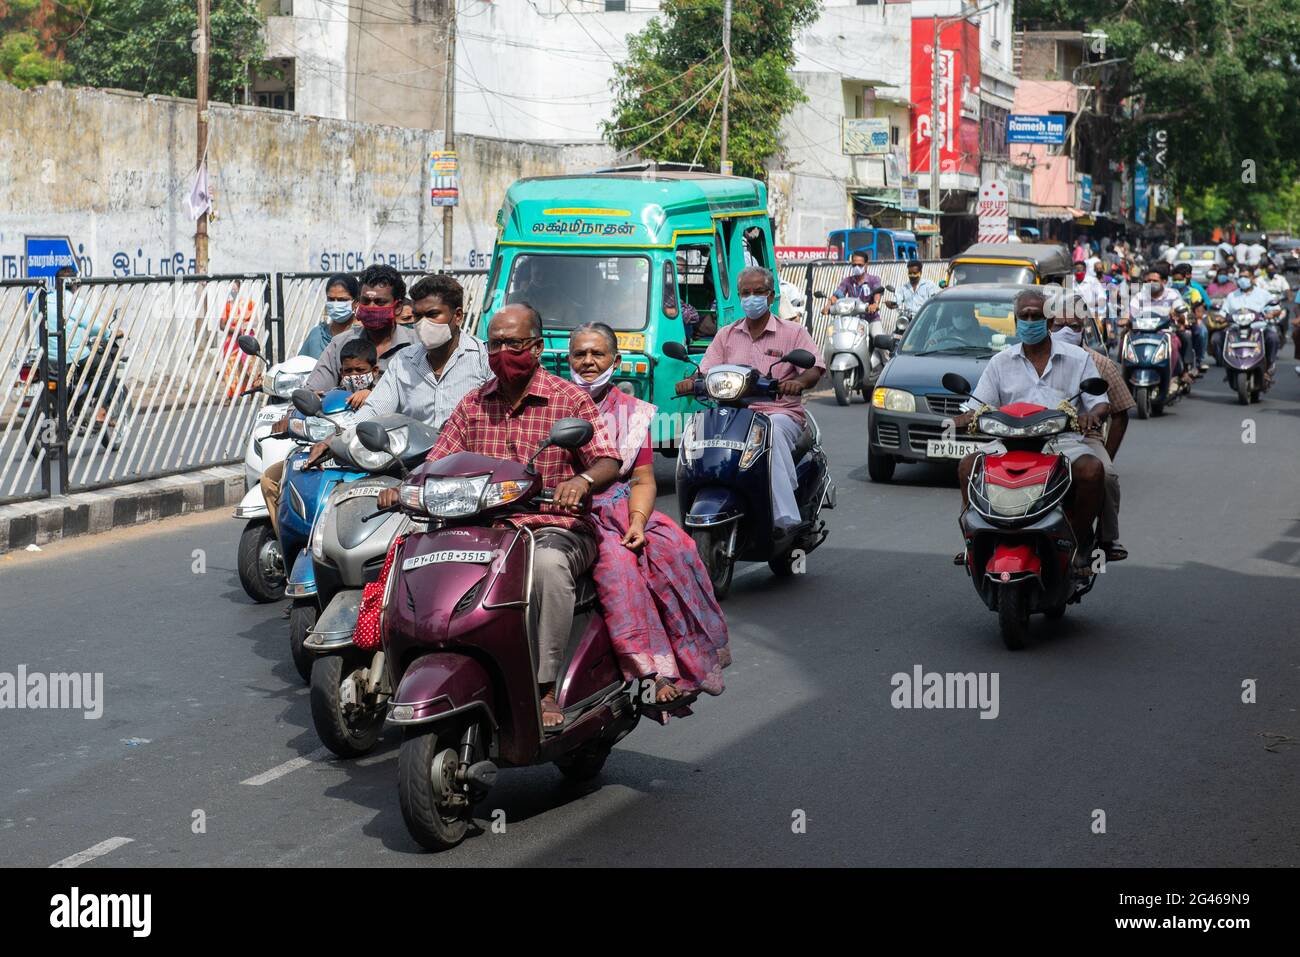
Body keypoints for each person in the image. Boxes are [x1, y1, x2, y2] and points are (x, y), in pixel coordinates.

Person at [379, 302, 622, 729]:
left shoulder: (570, 399)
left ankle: (545, 687)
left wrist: (580, 483)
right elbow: (436, 460)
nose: (503, 352)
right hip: (479, 533)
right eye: (495, 344)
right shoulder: (473, 404)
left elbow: (606, 460)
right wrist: (403, 489)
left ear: (538, 346)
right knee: (411, 554)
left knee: (546, 567)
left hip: (552, 528)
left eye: (514, 343)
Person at [567, 322, 730, 716]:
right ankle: (649, 671)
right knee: (619, 568)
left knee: (677, 548)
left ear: (615, 361)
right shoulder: (557, 401)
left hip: (620, 508)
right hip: (569, 507)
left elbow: (641, 478)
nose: (588, 362)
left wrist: (638, 523)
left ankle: (680, 664)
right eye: (580, 355)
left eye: (597, 354)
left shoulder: (632, 413)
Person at [954, 287, 1110, 553]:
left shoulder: (1078, 359)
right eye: (1023, 316)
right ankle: (974, 542)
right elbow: (978, 404)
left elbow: (1101, 404)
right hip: (1008, 444)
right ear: (1015, 322)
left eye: (1035, 316)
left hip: (1062, 443)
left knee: (1093, 471)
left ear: (1049, 321)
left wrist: (1090, 416)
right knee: (968, 466)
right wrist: (962, 418)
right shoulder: (1000, 362)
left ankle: (1080, 539)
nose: (1028, 322)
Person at [691, 266, 825, 535]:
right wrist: (691, 380)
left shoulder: (793, 332)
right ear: (739, 296)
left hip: (779, 412)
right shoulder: (726, 334)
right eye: (746, 293)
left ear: (771, 296)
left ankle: (784, 518)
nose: (752, 298)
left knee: (768, 433)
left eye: (758, 292)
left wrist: (797, 383)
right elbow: (705, 369)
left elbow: (815, 367)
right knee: (696, 433)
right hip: (732, 414)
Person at [261, 337, 384, 537]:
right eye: (348, 371)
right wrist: (302, 412)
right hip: (327, 456)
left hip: (368, 459)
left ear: (374, 371)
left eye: (360, 371)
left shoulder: (384, 393)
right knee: (270, 478)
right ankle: (290, 539)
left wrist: (371, 394)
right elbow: (306, 410)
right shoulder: (332, 396)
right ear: (341, 373)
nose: (354, 376)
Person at [348, 274, 490, 429]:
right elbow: (375, 409)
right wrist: (339, 436)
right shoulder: (404, 360)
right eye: (418, 316)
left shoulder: (483, 358)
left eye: (432, 315)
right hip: (415, 452)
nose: (423, 323)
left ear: (457, 316)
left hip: (468, 452)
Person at [1052, 293, 1134, 561]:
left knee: (1106, 476)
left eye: (1073, 326)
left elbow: (1120, 412)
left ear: (1083, 327)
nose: (1065, 331)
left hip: (1083, 438)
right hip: (1034, 436)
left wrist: (1106, 455)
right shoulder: (1031, 357)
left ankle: (1107, 538)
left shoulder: (1100, 364)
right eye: (1057, 325)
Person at [303, 263, 418, 404]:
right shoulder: (340, 343)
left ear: (398, 307)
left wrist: (376, 396)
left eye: (379, 302)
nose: (371, 307)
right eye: (366, 301)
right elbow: (312, 392)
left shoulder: (416, 345)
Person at [45, 266, 124, 434]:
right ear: (75, 284)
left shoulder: (44, 300)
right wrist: (110, 332)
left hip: (47, 357)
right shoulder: (74, 303)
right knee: (107, 366)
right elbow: (95, 327)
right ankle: (100, 411)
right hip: (70, 357)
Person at [1129, 262, 1193, 385]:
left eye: (1154, 280)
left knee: (1184, 338)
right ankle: (1127, 373)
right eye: (1147, 281)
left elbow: (1182, 313)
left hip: (1166, 333)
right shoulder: (1140, 296)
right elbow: (1132, 313)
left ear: (1164, 281)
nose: (1150, 284)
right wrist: (1126, 319)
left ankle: (1180, 372)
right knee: (1126, 340)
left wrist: (1178, 317)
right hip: (1142, 332)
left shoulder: (1172, 295)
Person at [1221, 266, 1280, 378]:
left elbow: (1275, 308)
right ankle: (1230, 367)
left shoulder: (1263, 294)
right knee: (1218, 338)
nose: (1243, 279)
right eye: (1241, 277)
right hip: (1236, 329)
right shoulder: (1232, 296)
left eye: (1246, 277)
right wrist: (1220, 317)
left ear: (1253, 279)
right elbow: (1223, 311)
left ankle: (1270, 365)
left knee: (1273, 338)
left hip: (1258, 328)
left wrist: (1271, 313)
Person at [298, 274, 359, 359]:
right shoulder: (317, 335)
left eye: (342, 300)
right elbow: (300, 366)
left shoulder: (362, 334)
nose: (335, 304)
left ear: (356, 303)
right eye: (331, 299)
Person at [1171, 263, 1210, 371]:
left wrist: (1190, 320)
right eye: (1175, 280)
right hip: (1172, 320)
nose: (1177, 283)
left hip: (1189, 318)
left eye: (1179, 280)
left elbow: (1198, 311)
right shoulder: (1169, 291)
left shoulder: (1193, 291)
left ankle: (1199, 360)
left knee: (1201, 331)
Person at [823, 251, 882, 317]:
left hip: (871, 318)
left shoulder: (874, 280)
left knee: (876, 327)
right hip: (851, 318)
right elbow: (838, 294)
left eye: (860, 265)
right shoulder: (847, 281)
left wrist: (875, 304)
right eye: (854, 265)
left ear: (866, 265)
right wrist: (828, 305)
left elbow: (877, 293)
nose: (856, 267)